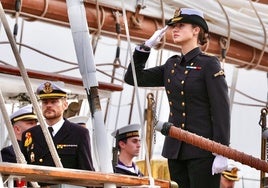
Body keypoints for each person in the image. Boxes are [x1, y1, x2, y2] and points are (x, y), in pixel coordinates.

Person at [124, 8, 230, 188]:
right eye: (174, 26)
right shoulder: (171, 65)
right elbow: (133, 77)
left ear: (196, 30)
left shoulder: (209, 64)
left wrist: (221, 150)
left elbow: (221, 109)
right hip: (175, 150)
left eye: (181, 25)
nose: (175, 29)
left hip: (203, 151)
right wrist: (145, 48)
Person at [20, 81, 95, 171]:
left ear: (65, 105)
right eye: (45, 102)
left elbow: (86, 170)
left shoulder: (79, 133)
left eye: (54, 102)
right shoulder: (29, 134)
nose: (48, 105)